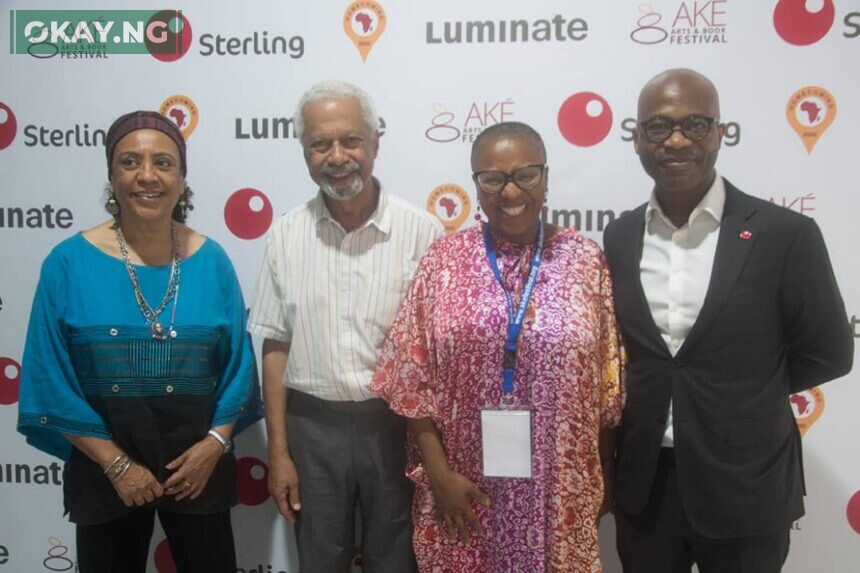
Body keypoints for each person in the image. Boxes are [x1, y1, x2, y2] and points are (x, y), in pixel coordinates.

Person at [603, 68, 854, 572]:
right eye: (658, 127)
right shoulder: (619, 236)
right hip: (647, 486)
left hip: (747, 484)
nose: (676, 140)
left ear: (720, 133)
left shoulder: (786, 235)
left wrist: (746, 387)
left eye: (695, 124)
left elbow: (829, 351)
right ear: (635, 139)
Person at [371, 121, 626, 572]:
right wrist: (439, 475)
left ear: (546, 177)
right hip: (464, 486)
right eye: (493, 178)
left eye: (526, 174)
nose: (511, 192)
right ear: (476, 184)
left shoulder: (585, 259)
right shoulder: (444, 260)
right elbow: (410, 378)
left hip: (557, 487)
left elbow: (608, 384)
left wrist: (599, 472)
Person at [17, 111, 262, 573]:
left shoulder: (212, 261)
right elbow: (48, 374)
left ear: (182, 177)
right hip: (103, 469)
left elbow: (238, 370)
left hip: (199, 469)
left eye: (163, 163)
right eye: (131, 162)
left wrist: (215, 443)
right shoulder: (66, 264)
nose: (147, 176)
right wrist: (116, 465)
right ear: (111, 175)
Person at [247, 81, 443, 572]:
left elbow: (440, 355)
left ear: (375, 142)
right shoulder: (287, 234)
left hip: (396, 427)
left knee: (398, 561)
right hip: (312, 428)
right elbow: (275, 346)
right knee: (320, 561)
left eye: (350, 140)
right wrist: (279, 453)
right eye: (320, 144)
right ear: (304, 152)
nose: (337, 157)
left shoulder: (423, 233)